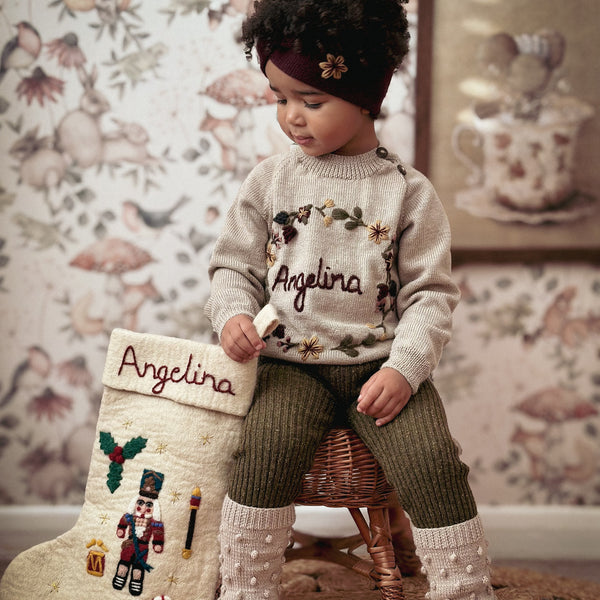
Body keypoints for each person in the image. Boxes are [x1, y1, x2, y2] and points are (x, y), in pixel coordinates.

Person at [205, 1, 497, 598]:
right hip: (290, 369)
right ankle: (245, 587)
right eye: (279, 97)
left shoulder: (407, 194)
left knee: (434, 462)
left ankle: (464, 588)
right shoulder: (269, 181)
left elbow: (430, 296)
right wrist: (233, 313)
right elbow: (232, 266)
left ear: (365, 96)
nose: (292, 117)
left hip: (379, 369)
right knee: (262, 453)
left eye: (311, 101)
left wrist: (405, 369)